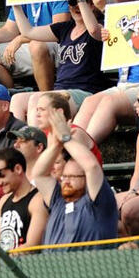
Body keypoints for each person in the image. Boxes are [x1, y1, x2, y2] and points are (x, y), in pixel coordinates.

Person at [32, 106, 118, 247]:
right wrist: (55, 146)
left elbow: (91, 166)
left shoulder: (98, 202)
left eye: (73, 177)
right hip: (54, 266)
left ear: (86, 179)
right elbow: (39, 174)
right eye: (65, 176)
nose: (66, 181)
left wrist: (66, 138)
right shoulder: (58, 201)